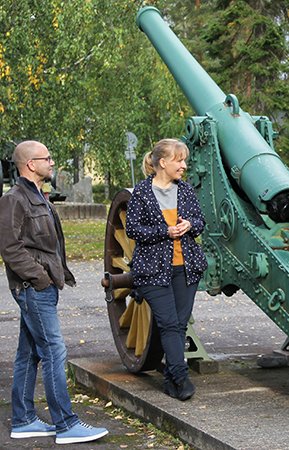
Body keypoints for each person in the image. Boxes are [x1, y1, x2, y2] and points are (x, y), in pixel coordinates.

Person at [0, 141, 108, 444]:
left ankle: (22, 420)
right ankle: (66, 424)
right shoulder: (14, 199)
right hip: (33, 288)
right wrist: (40, 278)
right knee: (53, 351)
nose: (51, 162)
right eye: (46, 158)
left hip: (40, 286)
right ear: (30, 164)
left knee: (29, 352)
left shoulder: (38, 196)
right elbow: (10, 248)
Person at [126, 138, 207, 401]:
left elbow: (199, 220)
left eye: (184, 160)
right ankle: (182, 378)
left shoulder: (185, 190)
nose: (184, 165)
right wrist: (165, 231)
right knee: (169, 323)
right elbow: (133, 229)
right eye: (179, 160)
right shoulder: (141, 192)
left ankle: (171, 381)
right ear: (163, 163)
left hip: (187, 266)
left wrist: (188, 226)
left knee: (179, 325)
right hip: (152, 270)